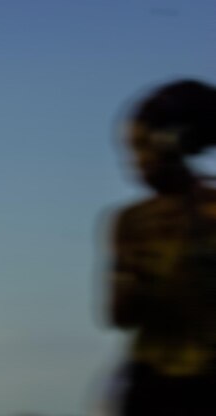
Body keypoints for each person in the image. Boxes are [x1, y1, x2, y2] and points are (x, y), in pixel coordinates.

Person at [107, 79, 216, 415]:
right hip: (155, 386)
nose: (135, 161)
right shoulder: (133, 222)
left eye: (142, 147)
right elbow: (119, 314)